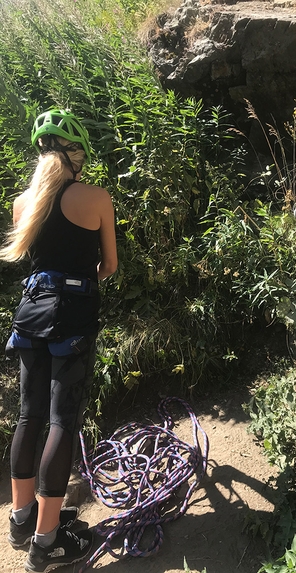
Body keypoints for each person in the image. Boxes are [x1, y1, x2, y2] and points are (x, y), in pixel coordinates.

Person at [0, 109, 117, 572]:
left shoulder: (21, 203)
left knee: (29, 416)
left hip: (29, 314)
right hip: (71, 317)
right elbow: (109, 267)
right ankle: (47, 543)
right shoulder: (96, 198)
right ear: (73, 155)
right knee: (61, 421)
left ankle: (22, 518)